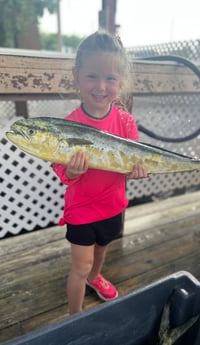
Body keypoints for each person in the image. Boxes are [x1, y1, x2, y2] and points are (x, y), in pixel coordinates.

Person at [52, 30, 149, 315]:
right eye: (92, 76)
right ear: (77, 75)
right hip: (81, 209)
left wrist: (138, 171)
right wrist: (70, 170)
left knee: (101, 252)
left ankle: (96, 277)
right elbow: (60, 169)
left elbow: (133, 160)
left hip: (113, 206)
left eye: (110, 78)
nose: (101, 86)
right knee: (79, 267)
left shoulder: (126, 122)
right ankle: (73, 316)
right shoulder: (68, 125)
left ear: (121, 82)